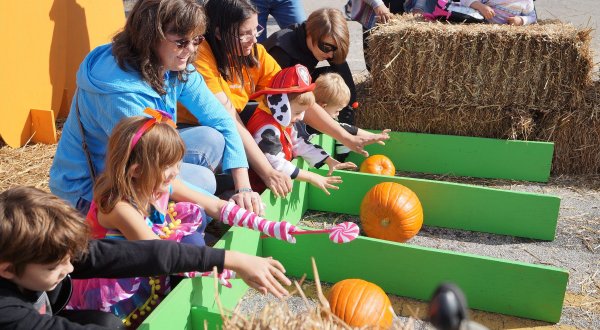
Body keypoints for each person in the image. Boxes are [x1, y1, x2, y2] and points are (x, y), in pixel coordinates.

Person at [66, 112, 298, 326]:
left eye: (178, 161)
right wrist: (236, 269)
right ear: (136, 170)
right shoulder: (119, 207)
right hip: (119, 282)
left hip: (150, 260)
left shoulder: (161, 182)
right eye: (168, 165)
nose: (177, 171)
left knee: (193, 242)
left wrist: (268, 226)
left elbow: (214, 205)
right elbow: (159, 255)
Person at [49, 0, 263, 216]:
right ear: (150, 37)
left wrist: (244, 187)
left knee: (211, 138)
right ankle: (184, 226)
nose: (190, 50)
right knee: (204, 182)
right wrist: (217, 206)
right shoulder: (119, 94)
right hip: (91, 190)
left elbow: (222, 119)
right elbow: (149, 171)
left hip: (144, 163)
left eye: (196, 40)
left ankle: (190, 210)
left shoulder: (171, 63)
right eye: (181, 42)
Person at [0, 186, 291, 329]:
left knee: (108, 324)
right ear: (8, 270)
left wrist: (231, 259)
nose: (70, 266)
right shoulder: (6, 311)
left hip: (47, 311)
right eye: (55, 266)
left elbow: (143, 253)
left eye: (69, 258)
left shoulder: (46, 255)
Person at [178, 0, 388, 195]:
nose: (254, 40)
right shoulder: (202, 58)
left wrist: (345, 136)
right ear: (219, 33)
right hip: (191, 129)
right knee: (219, 139)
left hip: (229, 124)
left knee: (284, 119)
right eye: (244, 34)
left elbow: (297, 97)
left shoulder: (256, 54)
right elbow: (229, 121)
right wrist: (265, 173)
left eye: (256, 30)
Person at [263, 8, 390, 161]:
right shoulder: (281, 50)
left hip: (300, 86)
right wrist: (343, 136)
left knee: (334, 78)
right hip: (271, 102)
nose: (330, 54)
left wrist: (347, 114)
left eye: (334, 50)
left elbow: (345, 78)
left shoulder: (323, 42)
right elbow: (284, 101)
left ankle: (332, 121)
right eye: (327, 48)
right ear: (311, 33)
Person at [245, 65, 356, 194]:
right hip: (257, 190)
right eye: (298, 112)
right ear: (280, 105)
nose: (300, 117)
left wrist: (328, 160)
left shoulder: (282, 121)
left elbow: (298, 143)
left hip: (272, 188)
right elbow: (278, 164)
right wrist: (312, 177)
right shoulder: (267, 127)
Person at [297, 72, 390, 157]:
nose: (337, 115)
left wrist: (373, 135)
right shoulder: (312, 121)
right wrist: (373, 136)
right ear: (323, 106)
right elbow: (345, 128)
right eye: (337, 111)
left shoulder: (302, 109)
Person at [424, 0, 537, 25]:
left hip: (505, 29)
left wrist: (521, 20)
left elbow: (532, 17)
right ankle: (441, 13)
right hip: (479, 21)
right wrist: (481, 6)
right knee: (462, 16)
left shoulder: (527, 2)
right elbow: (465, 0)